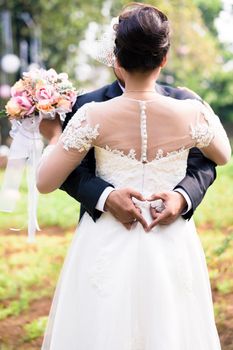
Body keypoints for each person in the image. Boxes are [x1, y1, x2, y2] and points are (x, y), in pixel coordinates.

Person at [38, 3, 231, 349]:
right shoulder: (191, 111)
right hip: (171, 243)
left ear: (116, 58)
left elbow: (44, 182)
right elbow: (223, 155)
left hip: (106, 244)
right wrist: (202, 110)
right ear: (164, 58)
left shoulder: (92, 116)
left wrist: (53, 136)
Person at [41, 5, 217, 230]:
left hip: (170, 232)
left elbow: (203, 163)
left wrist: (182, 197)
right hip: (105, 230)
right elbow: (69, 169)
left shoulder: (184, 101)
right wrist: (105, 196)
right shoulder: (86, 105)